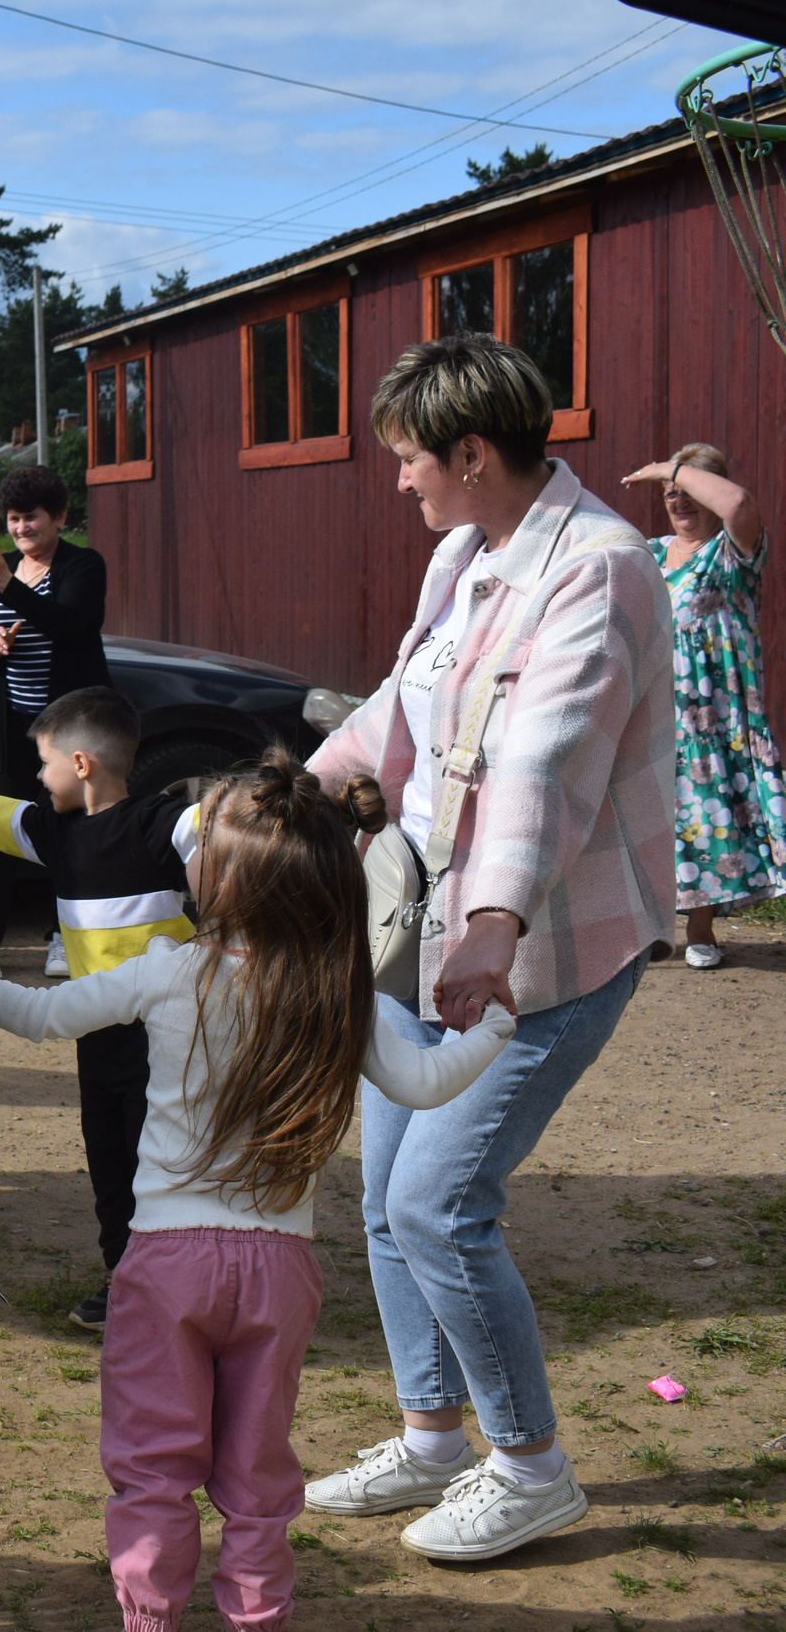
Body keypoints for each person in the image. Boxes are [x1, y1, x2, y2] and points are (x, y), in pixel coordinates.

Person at [0, 753, 517, 1632]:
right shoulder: (342, 994)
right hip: (280, 1270)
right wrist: (497, 1026)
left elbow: (36, 1014)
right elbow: (424, 1082)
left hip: (165, 1263)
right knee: (259, 1474)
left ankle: (150, 1617)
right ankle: (259, 1617)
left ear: (218, 876)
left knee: (151, 1462)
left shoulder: (168, 970)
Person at [304, 335, 674, 1561]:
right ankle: (430, 1441)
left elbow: (545, 760)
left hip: (535, 952)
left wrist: (492, 923)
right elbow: (395, 709)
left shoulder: (602, 568)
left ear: (471, 454)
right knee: (381, 1201)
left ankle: (530, 1467)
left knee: (438, 1203)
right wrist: (282, 804)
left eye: (410, 459)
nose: (399, 481)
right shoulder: (466, 552)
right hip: (424, 935)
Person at [0, 686, 198, 1332]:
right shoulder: (56, 835)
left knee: (156, 1159)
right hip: (94, 1029)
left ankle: (170, 1280)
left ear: (80, 764)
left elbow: (223, 822)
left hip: (166, 1035)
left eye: (43, 762)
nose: (37, 778)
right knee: (107, 1159)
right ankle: (124, 1277)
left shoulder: (162, 821)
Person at [621, 444, 786, 968]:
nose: (677, 499)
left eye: (687, 489)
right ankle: (651, 928)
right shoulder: (647, 553)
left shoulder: (734, 554)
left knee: (710, 818)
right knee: (649, 818)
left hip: (713, 720)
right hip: (652, 713)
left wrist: (671, 469)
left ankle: (700, 931)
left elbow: (738, 505)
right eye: (671, 494)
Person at [0, 465, 111, 980]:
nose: (22, 528)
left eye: (32, 518)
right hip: (8, 726)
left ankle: (60, 938)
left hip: (67, 728)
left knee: (69, 831)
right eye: (14, 519)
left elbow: (71, 625)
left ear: (60, 517)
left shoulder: (82, 566)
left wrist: (5, 580)